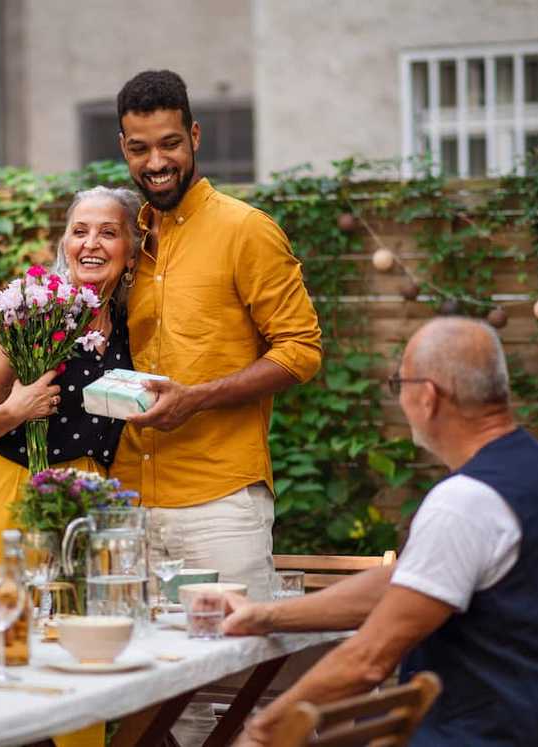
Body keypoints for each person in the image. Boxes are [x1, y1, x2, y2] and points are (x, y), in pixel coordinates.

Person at [224, 317, 538, 747]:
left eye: (397, 384)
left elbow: (367, 661)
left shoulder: (466, 502)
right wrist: (266, 615)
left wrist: (262, 732)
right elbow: (404, 583)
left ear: (427, 397)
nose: (398, 397)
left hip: (492, 735)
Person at [109, 69, 322, 602]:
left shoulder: (246, 230)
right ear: (123, 148)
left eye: (170, 144)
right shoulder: (122, 240)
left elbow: (301, 351)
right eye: (140, 149)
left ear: (195, 137)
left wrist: (197, 399)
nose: (156, 163)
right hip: (125, 502)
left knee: (234, 675)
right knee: (139, 679)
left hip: (219, 504)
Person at [0, 186, 141, 558]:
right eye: (79, 231)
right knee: (1, 607)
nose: (91, 243)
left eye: (108, 232)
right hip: (9, 484)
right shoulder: (28, 311)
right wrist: (16, 410)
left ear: (132, 254)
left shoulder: (131, 325)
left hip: (86, 494)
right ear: (65, 245)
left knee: (82, 610)